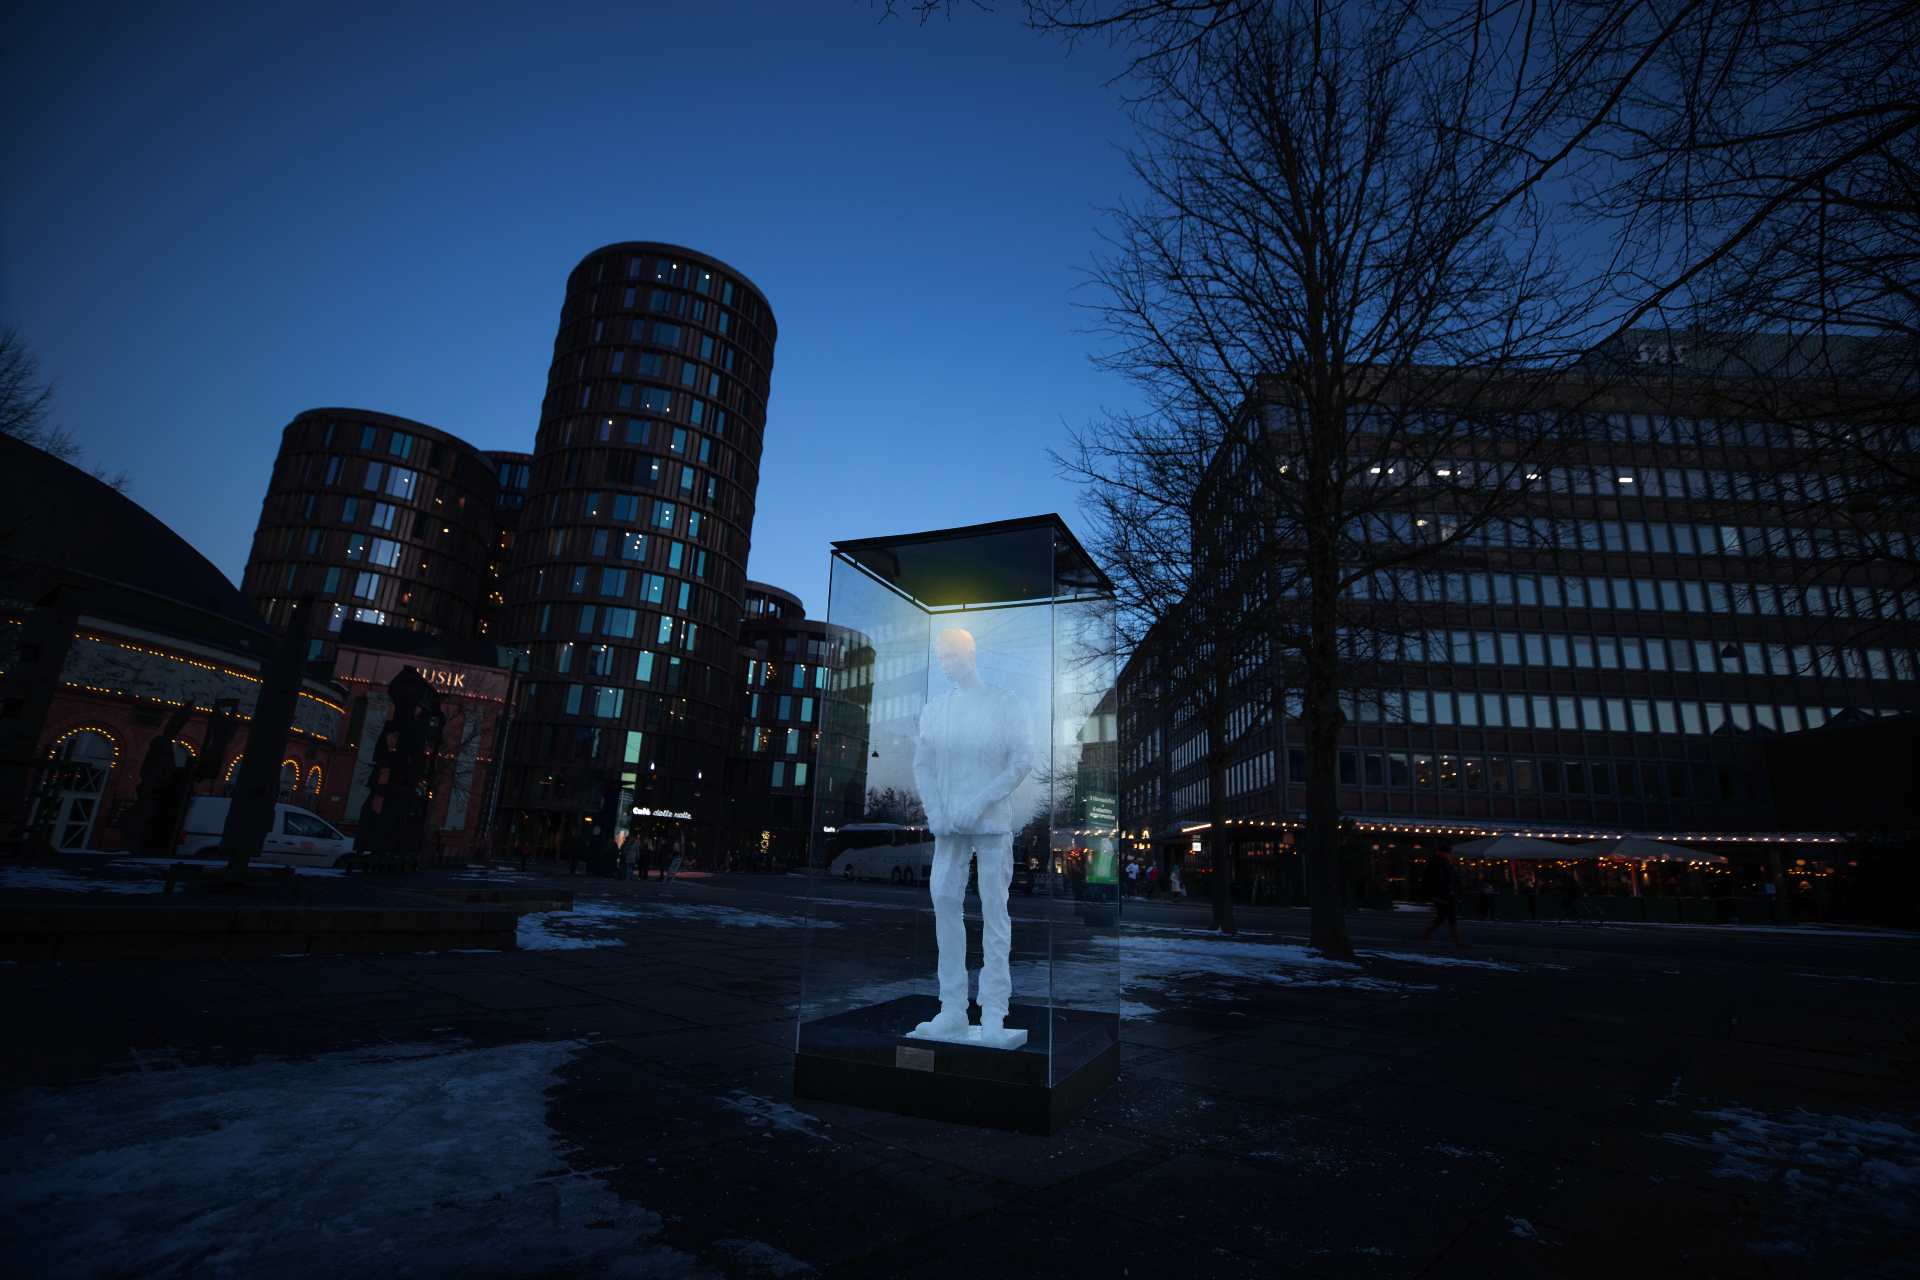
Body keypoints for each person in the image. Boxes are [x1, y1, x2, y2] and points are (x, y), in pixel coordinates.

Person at [1419, 846, 1465, 947]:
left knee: (1444, 917)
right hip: (1443, 894)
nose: (1449, 855)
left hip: (1445, 893)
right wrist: (1448, 890)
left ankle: (1426, 935)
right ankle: (1457, 941)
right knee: (1446, 916)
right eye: (1448, 853)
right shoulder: (1439, 863)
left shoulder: (1443, 863)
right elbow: (1439, 879)